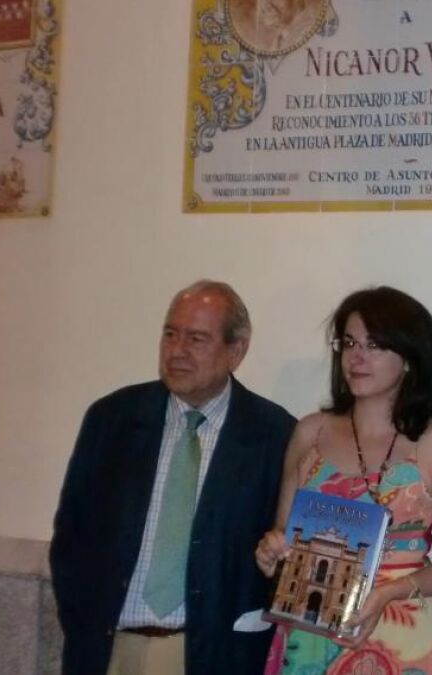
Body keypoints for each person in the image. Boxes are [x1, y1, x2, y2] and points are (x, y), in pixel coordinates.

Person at [50, 280, 297, 675]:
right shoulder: (112, 420)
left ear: (236, 351)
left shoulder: (275, 435)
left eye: (196, 339)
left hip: (213, 656)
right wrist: (81, 624)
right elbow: (71, 536)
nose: (177, 350)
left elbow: (284, 553)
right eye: (170, 334)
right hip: (110, 650)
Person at [255, 286, 432, 675]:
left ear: (409, 359)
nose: (356, 357)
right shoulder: (310, 433)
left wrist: (392, 591)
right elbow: (283, 536)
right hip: (312, 630)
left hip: (402, 632)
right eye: (350, 342)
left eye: (374, 345)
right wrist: (271, 551)